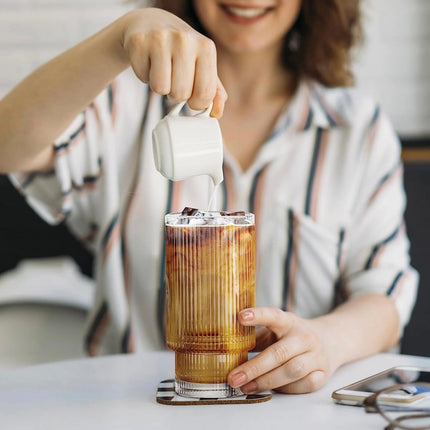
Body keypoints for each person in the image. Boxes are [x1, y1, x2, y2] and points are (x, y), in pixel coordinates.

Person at [0, 0, 418, 394]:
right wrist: (118, 40)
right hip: (133, 408)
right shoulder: (119, 105)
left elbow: (385, 294)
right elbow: (8, 148)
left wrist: (328, 340)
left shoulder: (356, 130)